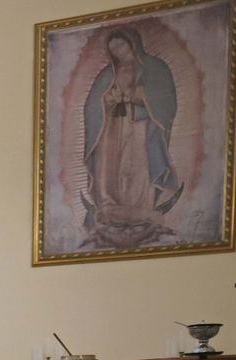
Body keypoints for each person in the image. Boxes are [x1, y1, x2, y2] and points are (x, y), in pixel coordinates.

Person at [82, 27, 182, 249]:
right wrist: (108, 99)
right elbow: (91, 105)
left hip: (141, 124)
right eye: (112, 48)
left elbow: (165, 98)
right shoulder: (107, 74)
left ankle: (141, 206)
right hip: (111, 126)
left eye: (120, 45)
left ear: (132, 43)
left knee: (139, 162)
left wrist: (138, 95)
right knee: (110, 164)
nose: (117, 50)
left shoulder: (154, 68)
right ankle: (109, 204)